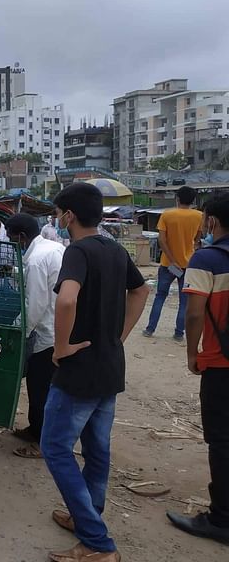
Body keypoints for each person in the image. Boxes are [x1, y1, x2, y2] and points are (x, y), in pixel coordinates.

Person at [40, 182, 149, 562]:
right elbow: (141, 291)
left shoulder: (78, 252)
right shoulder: (115, 250)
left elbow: (67, 298)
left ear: (68, 216)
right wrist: (118, 335)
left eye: (58, 213)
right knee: (97, 449)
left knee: (54, 447)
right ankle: (86, 514)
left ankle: (96, 542)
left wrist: (62, 345)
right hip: (109, 365)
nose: (57, 219)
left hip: (81, 369)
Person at [166, 193, 229, 545]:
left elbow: (193, 312)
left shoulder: (207, 258)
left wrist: (193, 353)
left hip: (221, 363)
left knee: (221, 441)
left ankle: (221, 520)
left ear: (212, 223)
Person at [5, 213, 65, 459]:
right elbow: (41, 281)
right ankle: (34, 429)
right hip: (57, 326)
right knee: (40, 386)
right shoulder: (52, 248)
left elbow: (37, 304)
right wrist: (13, 272)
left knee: (40, 388)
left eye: (12, 239)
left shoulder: (37, 260)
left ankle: (42, 442)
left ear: (21, 237)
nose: (12, 244)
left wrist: (19, 330)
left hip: (47, 332)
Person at [143, 186, 203, 342]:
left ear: (177, 198)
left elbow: (161, 240)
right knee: (184, 301)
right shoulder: (199, 216)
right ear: (193, 200)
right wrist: (192, 247)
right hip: (189, 264)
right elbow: (197, 238)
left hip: (167, 264)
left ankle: (150, 329)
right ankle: (178, 333)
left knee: (160, 296)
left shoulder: (167, 215)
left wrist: (172, 260)